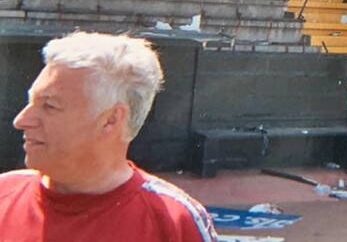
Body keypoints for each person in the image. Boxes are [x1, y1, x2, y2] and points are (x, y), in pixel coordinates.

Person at [0, 32, 218, 242]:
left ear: (111, 120)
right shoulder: (4, 194)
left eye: (49, 106)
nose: (21, 121)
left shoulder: (174, 222)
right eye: (31, 103)